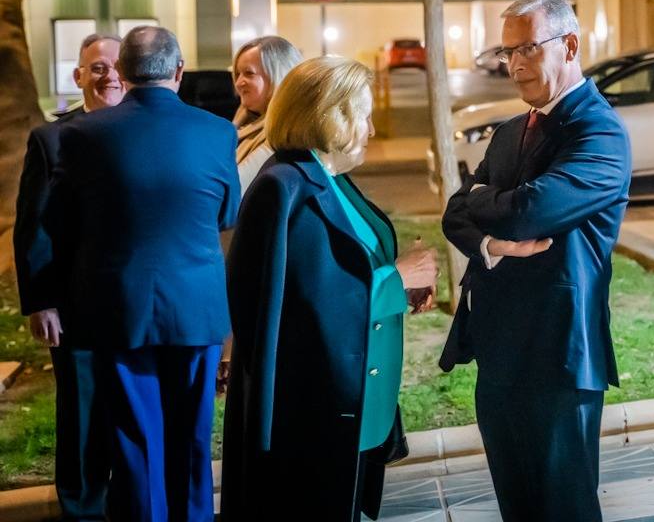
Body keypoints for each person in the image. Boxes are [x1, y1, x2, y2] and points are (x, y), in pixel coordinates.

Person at [439, 0, 632, 522]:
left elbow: (531, 211)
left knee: (562, 508)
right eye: (508, 52)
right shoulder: (508, 131)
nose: (515, 63)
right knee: (518, 507)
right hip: (499, 352)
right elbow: (454, 214)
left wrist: (484, 202)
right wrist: (489, 238)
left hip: (558, 356)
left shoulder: (600, 132)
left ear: (569, 44)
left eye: (527, 47)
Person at [220, 56, 439, 522]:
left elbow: (344, 270)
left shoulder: (328, 179)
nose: (372, 130)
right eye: (363, 114)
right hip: (310, 413)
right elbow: (301, 305)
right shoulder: (283, 187)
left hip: (352, 405)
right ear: (330, 115)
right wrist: (395, 280)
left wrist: (402, 287)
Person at [45, 26, 239, 522]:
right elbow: (225, 213)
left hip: (116, 306)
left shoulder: (80, 134)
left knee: (133, 436)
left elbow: (62, 220)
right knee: (192, 436)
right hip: (194, 305)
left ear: (125, 73)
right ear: (179, 71)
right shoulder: (217, 130)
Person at [14, 33, 124, 520]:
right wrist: (41, 301)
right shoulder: (50, 139)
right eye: (96, 68)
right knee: (81, 411)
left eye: (118, 66)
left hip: (139, 301)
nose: (109, 76)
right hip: (75, 304)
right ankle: (82, 508)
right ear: (78, 77)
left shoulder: (148, 131)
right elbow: (33, 225)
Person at [231, 35, 302, 196]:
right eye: (238, 74)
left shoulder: (281, 135)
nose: (238, 83)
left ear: (278, 76)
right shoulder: (248, 126)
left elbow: (234, 189)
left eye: (249, 73)